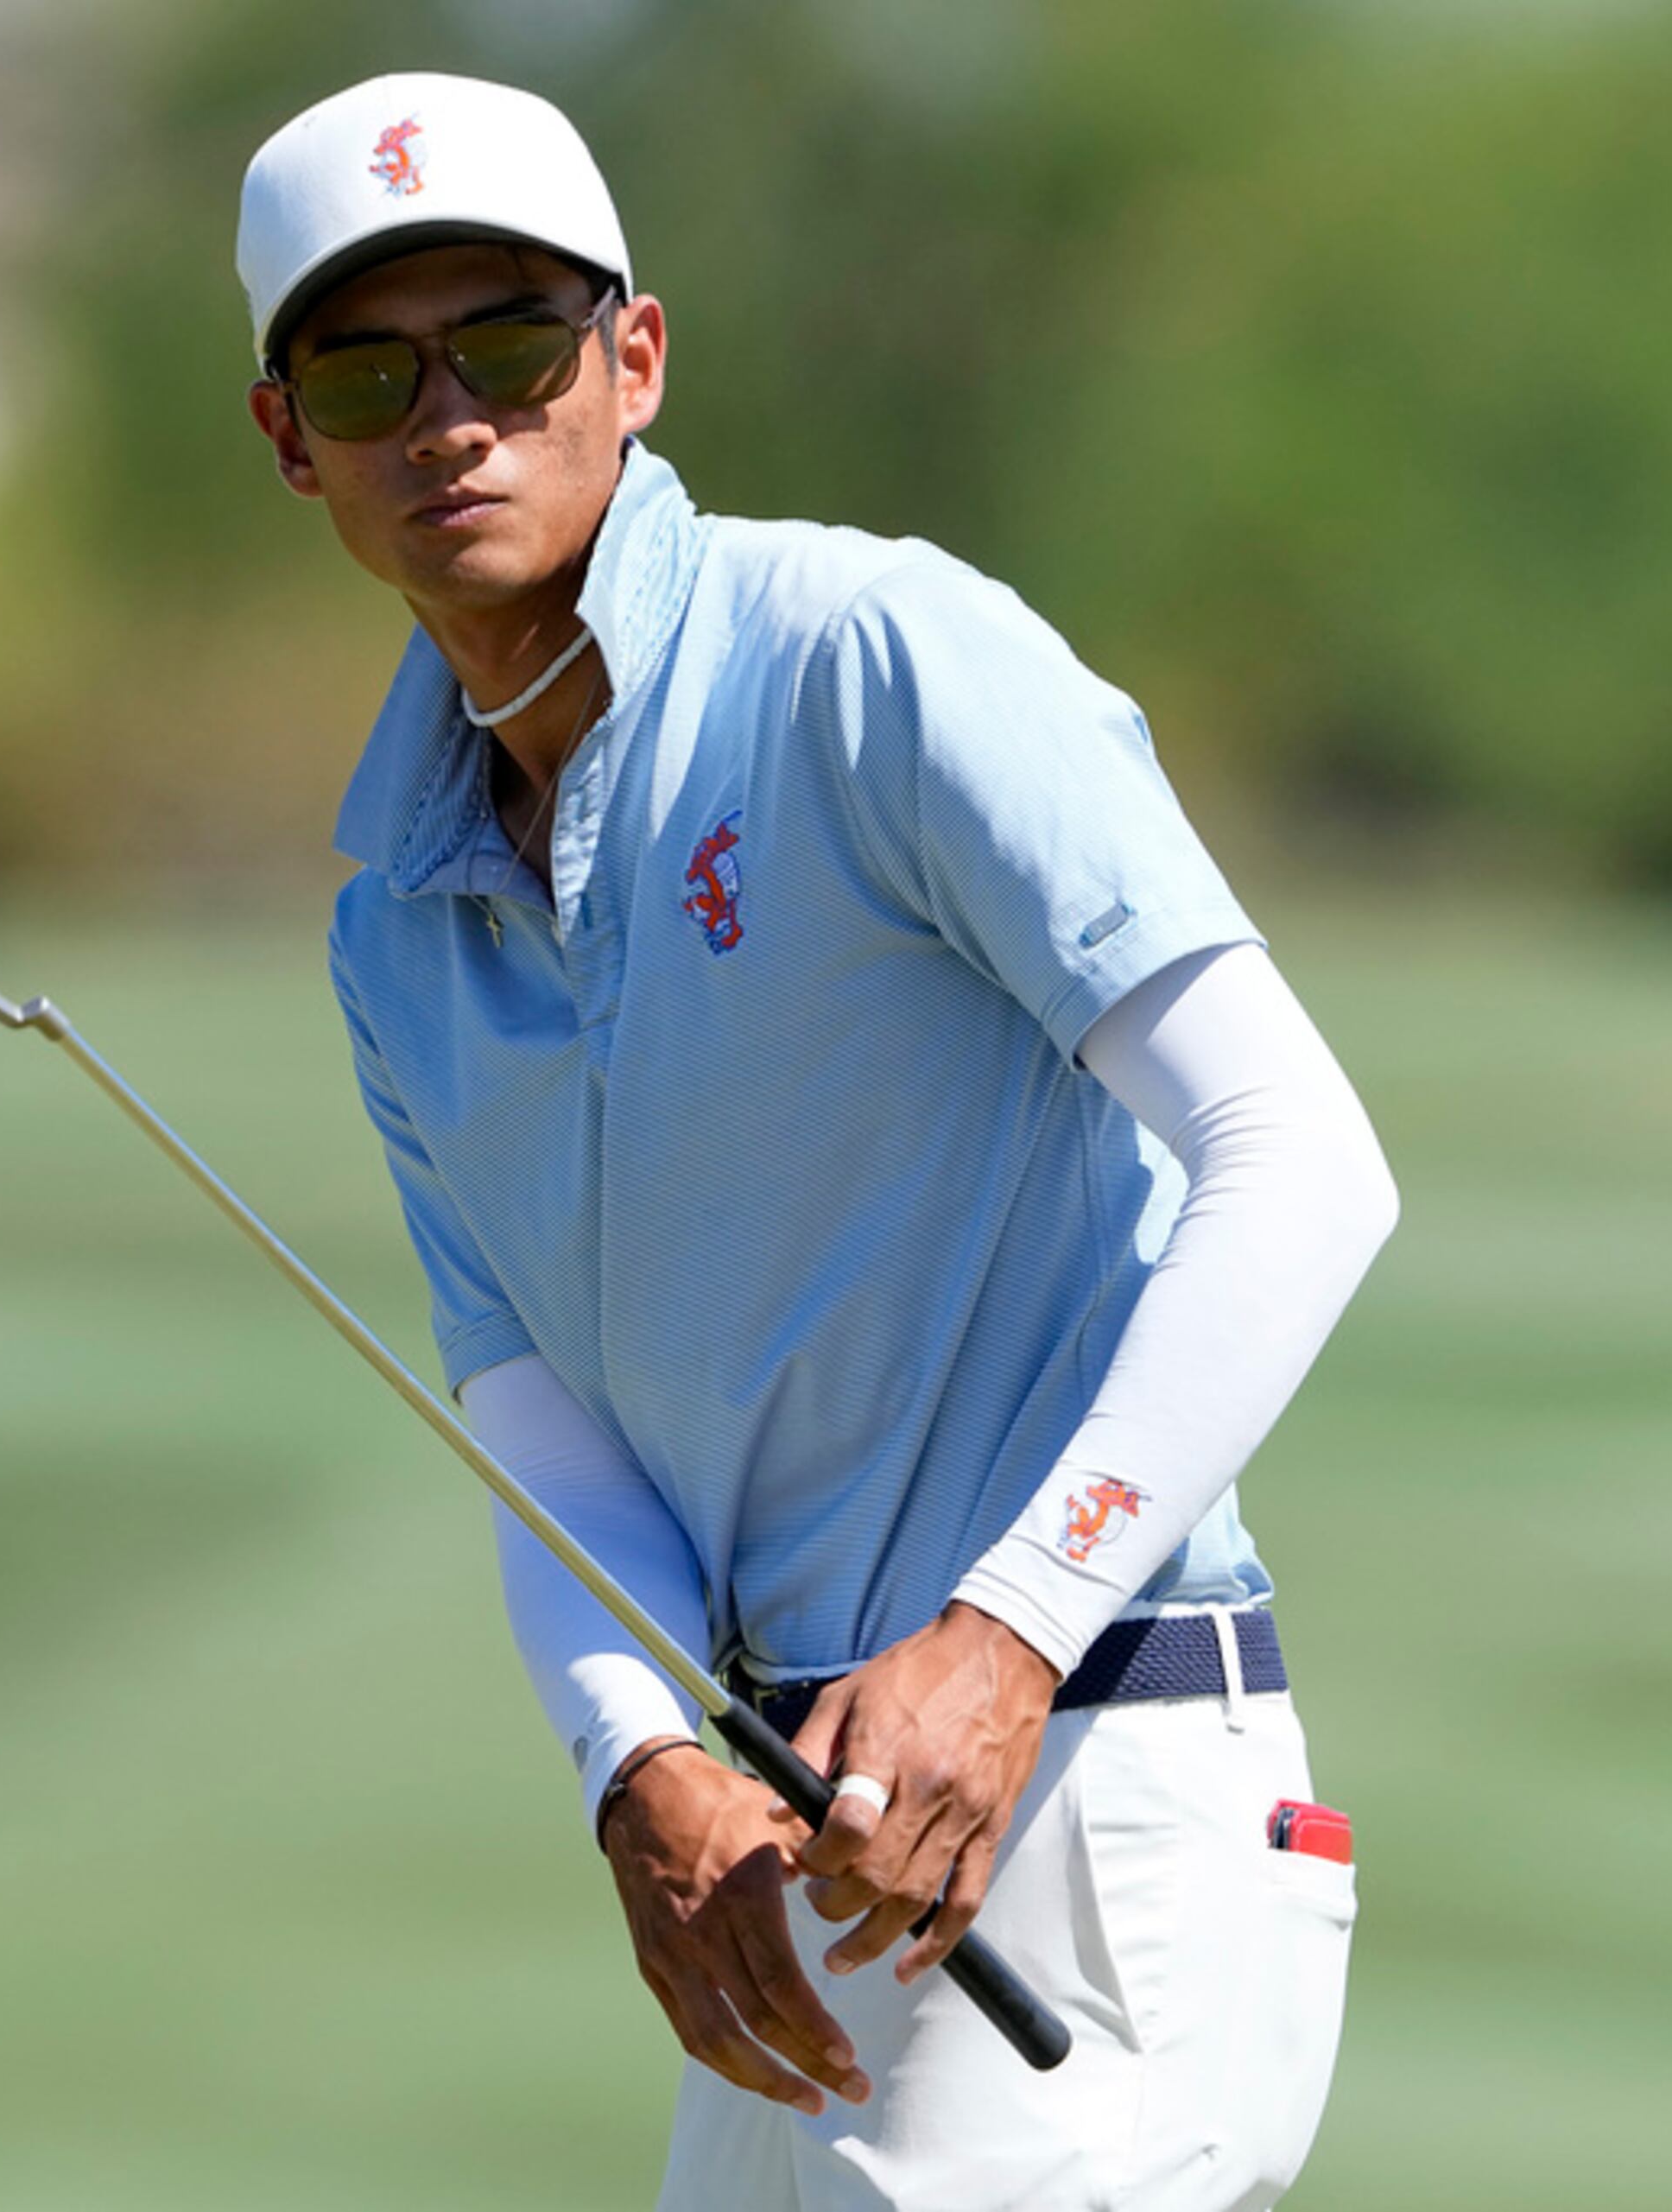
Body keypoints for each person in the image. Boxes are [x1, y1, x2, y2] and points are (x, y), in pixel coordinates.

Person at [238, 72, 1399, 2211]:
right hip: (809, 1871)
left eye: (509, 343)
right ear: (288, 435)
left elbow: (1302, 1155)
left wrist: (1010, 1628)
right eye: (366, 367)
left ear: (636, 361)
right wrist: (635, 1754)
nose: (450, 418)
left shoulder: (873, 659)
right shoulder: (393, 921)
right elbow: (537, 1414)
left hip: (1093, 1782)